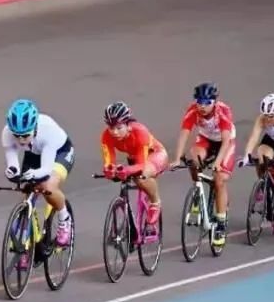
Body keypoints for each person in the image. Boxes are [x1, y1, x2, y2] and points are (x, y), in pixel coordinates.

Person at [1, 98, 76, 247]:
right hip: (34, 152)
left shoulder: (47, 130)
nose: (21, 140)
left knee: (47, 186)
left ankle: (64, 219)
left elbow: (46, 170)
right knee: (27, 190)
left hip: (60, 152)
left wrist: (34, 174)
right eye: (17, 135)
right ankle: (27, 236)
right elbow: (13, 162)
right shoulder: (7, 133)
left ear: (34, 127)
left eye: (25, 135)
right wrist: (12, 171)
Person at [171, 82, 235, 248]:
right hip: (206, 139)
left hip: (224, 143)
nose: (202, 106)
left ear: (214, 101)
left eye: (207, 102)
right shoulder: (193, 110)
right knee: (193, 159)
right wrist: (177, 158)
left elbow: (226, 141)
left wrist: (218, 162)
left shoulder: (223, 111)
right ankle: (197, 190)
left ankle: (220, 224)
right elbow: (184, 134)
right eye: (199, 101)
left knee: (219, 179)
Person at [99, 101, 169, 229]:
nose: (114, 132)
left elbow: (141, 165)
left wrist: (127, 170)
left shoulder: (140, 132)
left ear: (128, 125)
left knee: (141, 177)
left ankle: (155, 202)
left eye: (119, 128)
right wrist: (109, 169)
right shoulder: (106, 136)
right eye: (111, 128)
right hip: (135, 156)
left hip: (156, 154)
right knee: (128, 173)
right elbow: (109, 161)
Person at [237, 92, 274, 235]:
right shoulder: (262, 119)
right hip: (271, 141)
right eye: (265, 115)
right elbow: (254, 137)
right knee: (261, 157)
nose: (268, 119)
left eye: (271, 116)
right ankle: (263, 184)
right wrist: (246, 156)